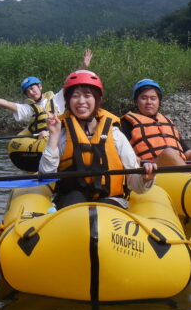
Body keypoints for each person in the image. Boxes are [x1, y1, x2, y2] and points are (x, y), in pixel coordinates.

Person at [40, 70, 156, 209]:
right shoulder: (62, 133)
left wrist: (146, 178)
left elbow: (135, 184)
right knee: (74, 198)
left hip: (110, 200)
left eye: (87, 95)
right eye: (75, 96)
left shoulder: (115, 134)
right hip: (71, 203)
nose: (81, 101)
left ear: (97, 99)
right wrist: (53, 135)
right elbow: (46, 177)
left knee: (106, 206)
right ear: (68, 101)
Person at [120, 79, 191, 175]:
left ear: (159, 102)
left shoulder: (167, 122)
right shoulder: (127, 124)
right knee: (168, 153)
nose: (149, 102)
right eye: (143, 98)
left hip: (182, 168)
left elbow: (187, 154)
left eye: (153, 98)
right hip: (154, 169)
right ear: (136, 101)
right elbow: (124, 154)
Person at [0, 49, 93, 136]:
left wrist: (84, 66)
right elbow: (6, 103)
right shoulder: (28, 109)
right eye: (28, 91)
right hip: (40, 139)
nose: (31, 92)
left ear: (40, 86)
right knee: (43, 134)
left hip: (58, 136)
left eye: (33, 88)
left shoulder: (56, 99)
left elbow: (70, 80)